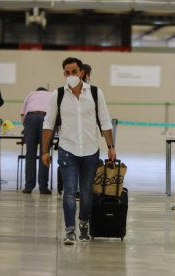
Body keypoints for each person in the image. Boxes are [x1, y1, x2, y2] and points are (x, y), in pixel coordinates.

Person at [41, 57, 116, 245]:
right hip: (68, 150)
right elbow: (48, 124)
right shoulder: (57, 95)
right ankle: (69, 230)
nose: (71, 75)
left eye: (74, 71)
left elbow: (105, 122)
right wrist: (44, 151)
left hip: (91, 150)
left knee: (86, 192)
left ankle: (83, 223)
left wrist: (110, 147)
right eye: (67, 72)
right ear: (64, 74)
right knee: (69, 191)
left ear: (81, 72)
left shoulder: (96, 93)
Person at [20, 87, 52, 194]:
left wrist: (27, 129)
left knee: (30, 154)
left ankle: (29, 186)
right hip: (46, 118)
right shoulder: (51, 95)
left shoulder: (31, 94)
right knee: (45, 153)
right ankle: (43, 187)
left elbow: (23, 114)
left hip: (31, 118)